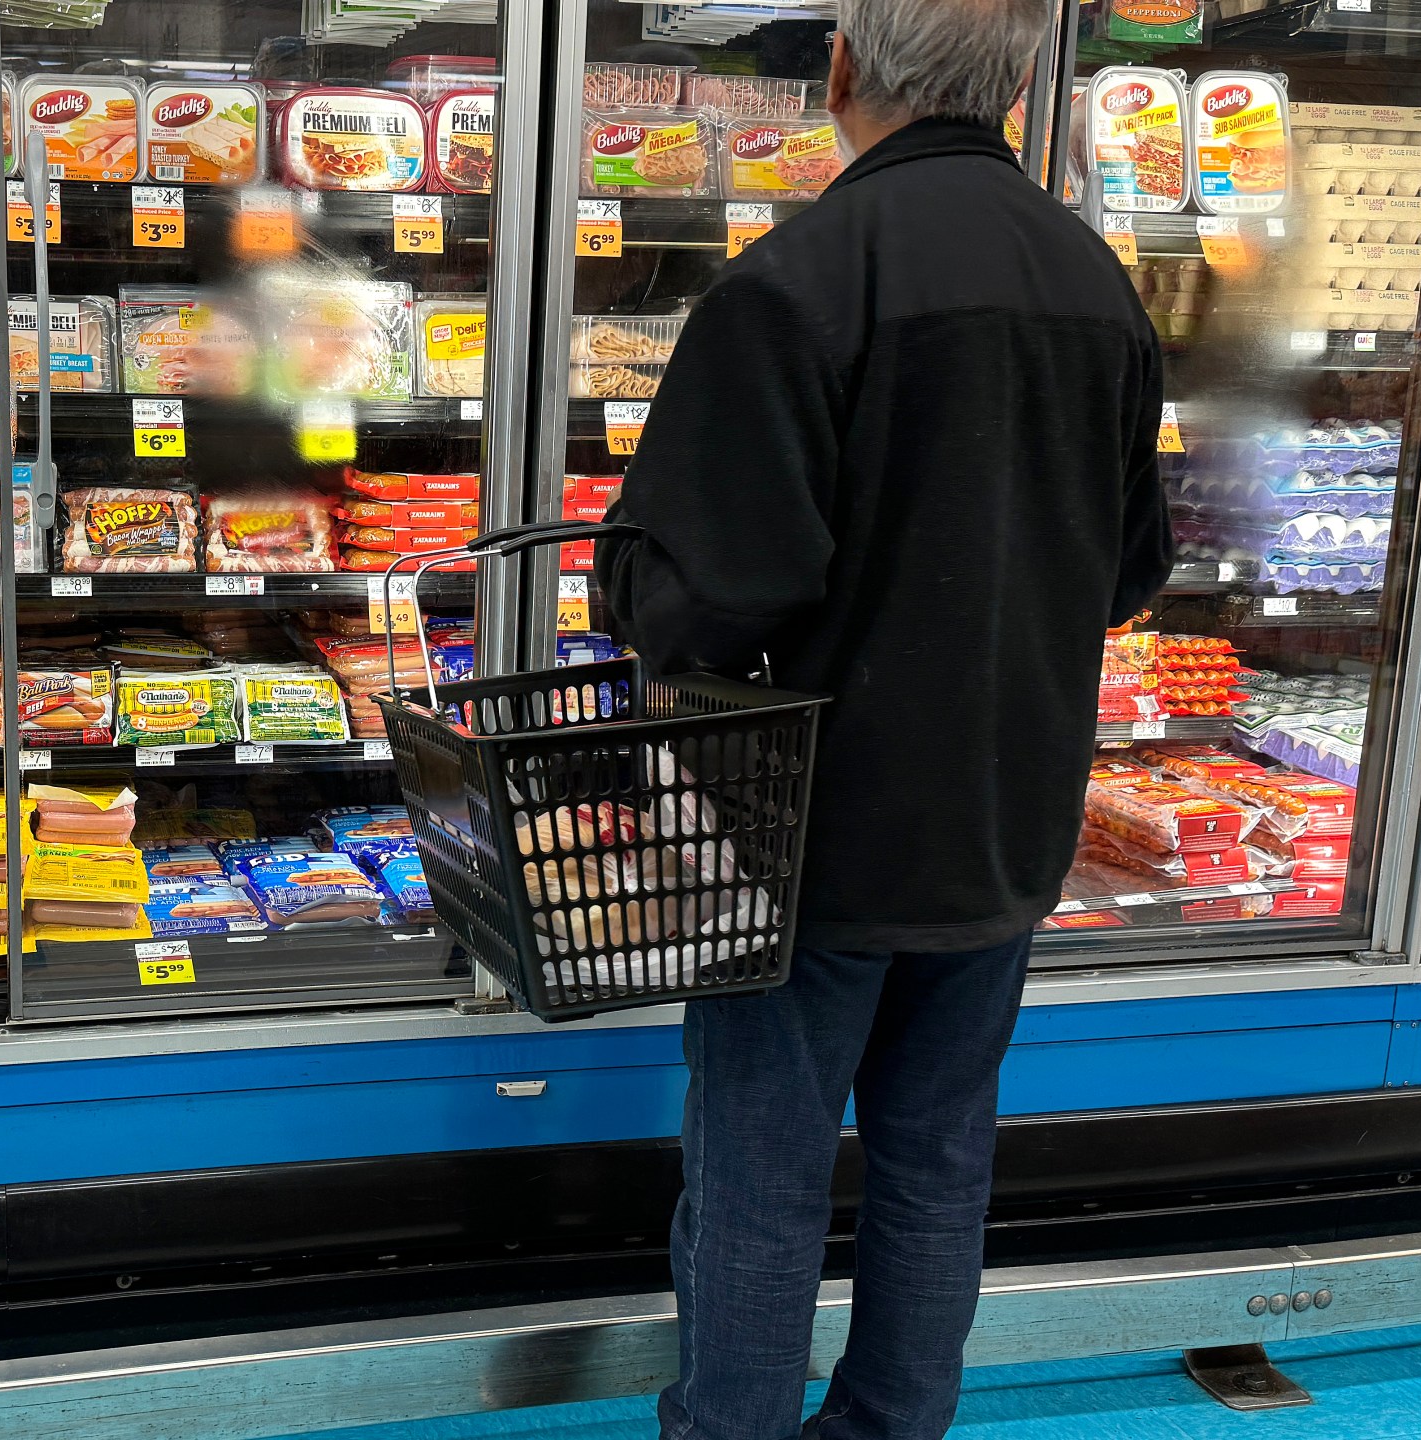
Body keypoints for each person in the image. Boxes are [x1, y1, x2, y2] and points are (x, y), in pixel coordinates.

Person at [593, 1, 1172, 1437]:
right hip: (1006, 811)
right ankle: (896, 1422)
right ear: (1026, 80)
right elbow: (1132, 568)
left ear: (842, 70)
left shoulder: (794, 283)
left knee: (762, 1171)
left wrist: (630, 583)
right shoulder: (1097, 285)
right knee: (936, 1160)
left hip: (811, 821)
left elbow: (719, 589)